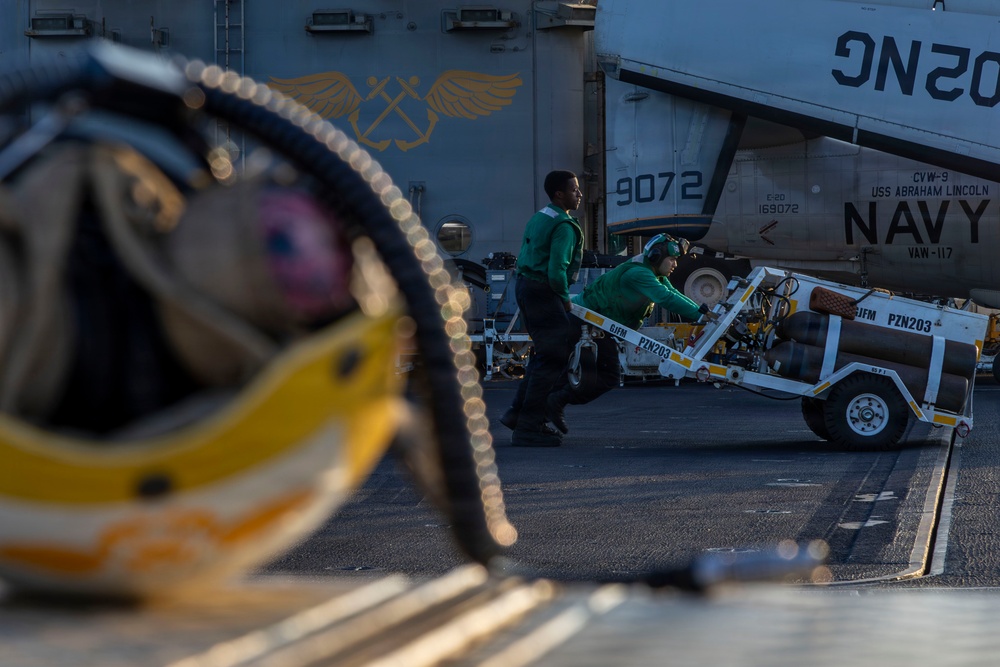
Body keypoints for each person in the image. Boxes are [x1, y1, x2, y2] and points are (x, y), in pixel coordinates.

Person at [544, 233, 719, 433]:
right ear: (656, 257)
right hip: (582, 320)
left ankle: (542, 409)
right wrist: (702, 315)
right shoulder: (639, 274)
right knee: (590, 375)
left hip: (596, 324)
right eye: (672, 259)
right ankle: (550, 406)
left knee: (593, 375)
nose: (675, 264)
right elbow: (665, 298)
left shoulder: (653, 273)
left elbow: (673, 294)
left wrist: (703, 313)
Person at [502, 170, 584, 447]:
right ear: (559, 194)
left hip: (525, 287)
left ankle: (517, 413)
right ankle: (528, 427)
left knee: (543, 356)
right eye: (574, 190)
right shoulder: (563, 225)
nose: (579, 194)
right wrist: (565, 299)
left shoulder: (540, 217)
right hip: (543, 291)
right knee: (553, 359)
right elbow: (556, 269)